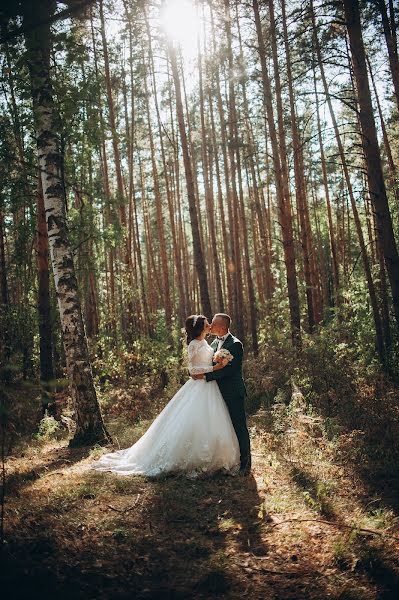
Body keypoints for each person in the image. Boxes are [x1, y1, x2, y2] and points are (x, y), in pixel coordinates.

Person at [90, 315, 240, 478]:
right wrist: (215, 368)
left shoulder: (207, 343)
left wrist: (218, 362)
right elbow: (193, 371)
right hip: (199, 386)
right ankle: (191, 460)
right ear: (199, 328)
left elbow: (206, 364)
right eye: (206, 324)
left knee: (213, 420)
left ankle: (217, 458)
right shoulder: (194, 345)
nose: (209, 325)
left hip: (211, 386)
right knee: (193, 420)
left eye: (209, 323)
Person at [192, 313, 251, 474]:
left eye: (214, 324)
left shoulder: (235, 344)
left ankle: (246, 464)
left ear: (222, 327)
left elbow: (229, 371)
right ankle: (226, 460)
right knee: (224, 427)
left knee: (239, 427)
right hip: (216, 393)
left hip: (233, 392)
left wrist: (205, 376)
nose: (210, 325)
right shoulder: (214, 342)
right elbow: (209, 363)